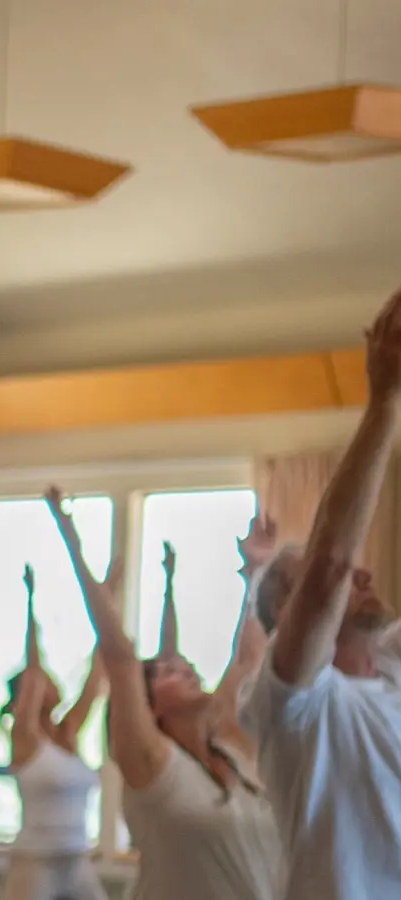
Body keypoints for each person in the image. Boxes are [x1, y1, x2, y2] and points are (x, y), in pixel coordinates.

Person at [41, 489, 282, 900]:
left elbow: (248, 657)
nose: (185, 668)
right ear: (148, 709)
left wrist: (257, 572)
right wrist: (72, 541)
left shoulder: (231, 748)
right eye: (168, 672)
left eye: (184, 665)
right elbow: (119, 657)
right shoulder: (152, 764)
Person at [243, 287, 401, 900]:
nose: (361, 576)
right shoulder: (295, 706)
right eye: (302, 584)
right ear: (289, 617)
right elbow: (331, 567)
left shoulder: (390, 669)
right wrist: (384, 400)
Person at [0, 564, 109, 900]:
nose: (52, 680)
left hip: (76, 858)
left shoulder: (68, 733)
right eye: (45, 679)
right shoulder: (25, 738)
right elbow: (33, 670)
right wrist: (30, 601)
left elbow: (95, 677)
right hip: (36, 863)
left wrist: (107, 601)